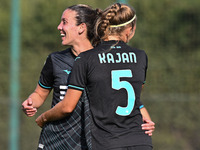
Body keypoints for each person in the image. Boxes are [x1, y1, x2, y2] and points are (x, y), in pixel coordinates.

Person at [23, 3, 155, 150]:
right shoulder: (55, 60)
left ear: (82, 27)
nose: (59, 27)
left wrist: (145, 120)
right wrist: (31, 101)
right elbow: (39, 94)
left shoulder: (97, 59)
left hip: (88, 141)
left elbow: (125, 97)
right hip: (56, 138)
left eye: (64, 22)